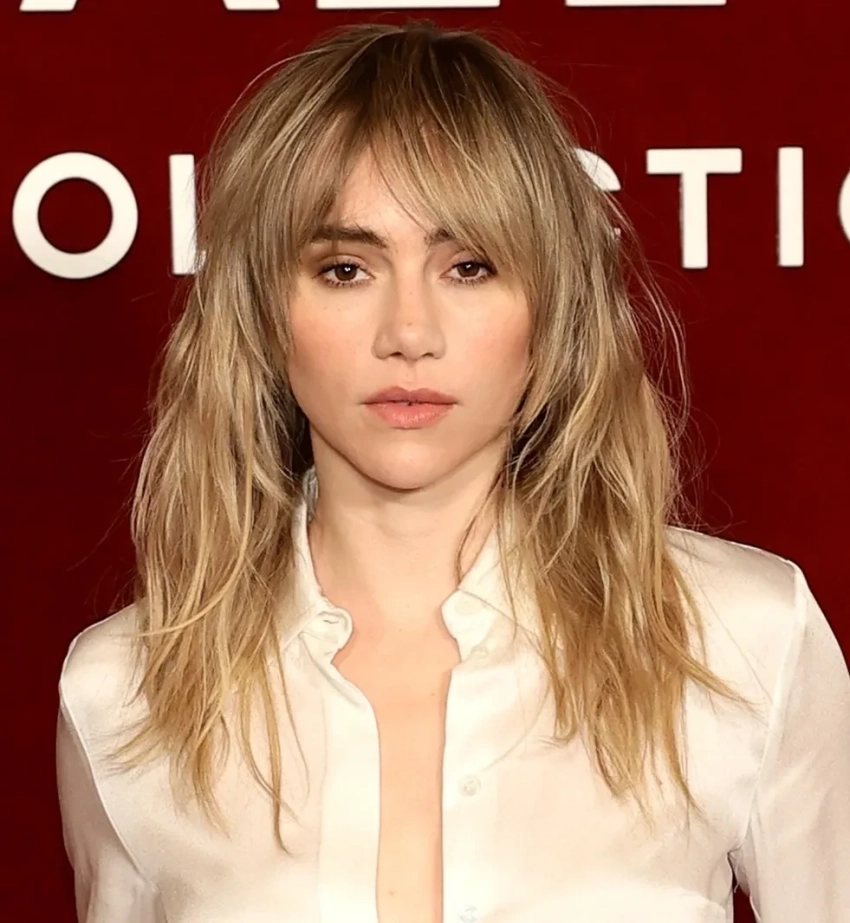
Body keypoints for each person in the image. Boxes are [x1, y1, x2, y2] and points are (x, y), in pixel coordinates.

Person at [55, 18, 850, 923]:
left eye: (469, 266)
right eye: (345, 268)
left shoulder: (743, 639)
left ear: (550, 308)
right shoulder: (125, 690)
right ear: (264, 311)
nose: (410, 332)